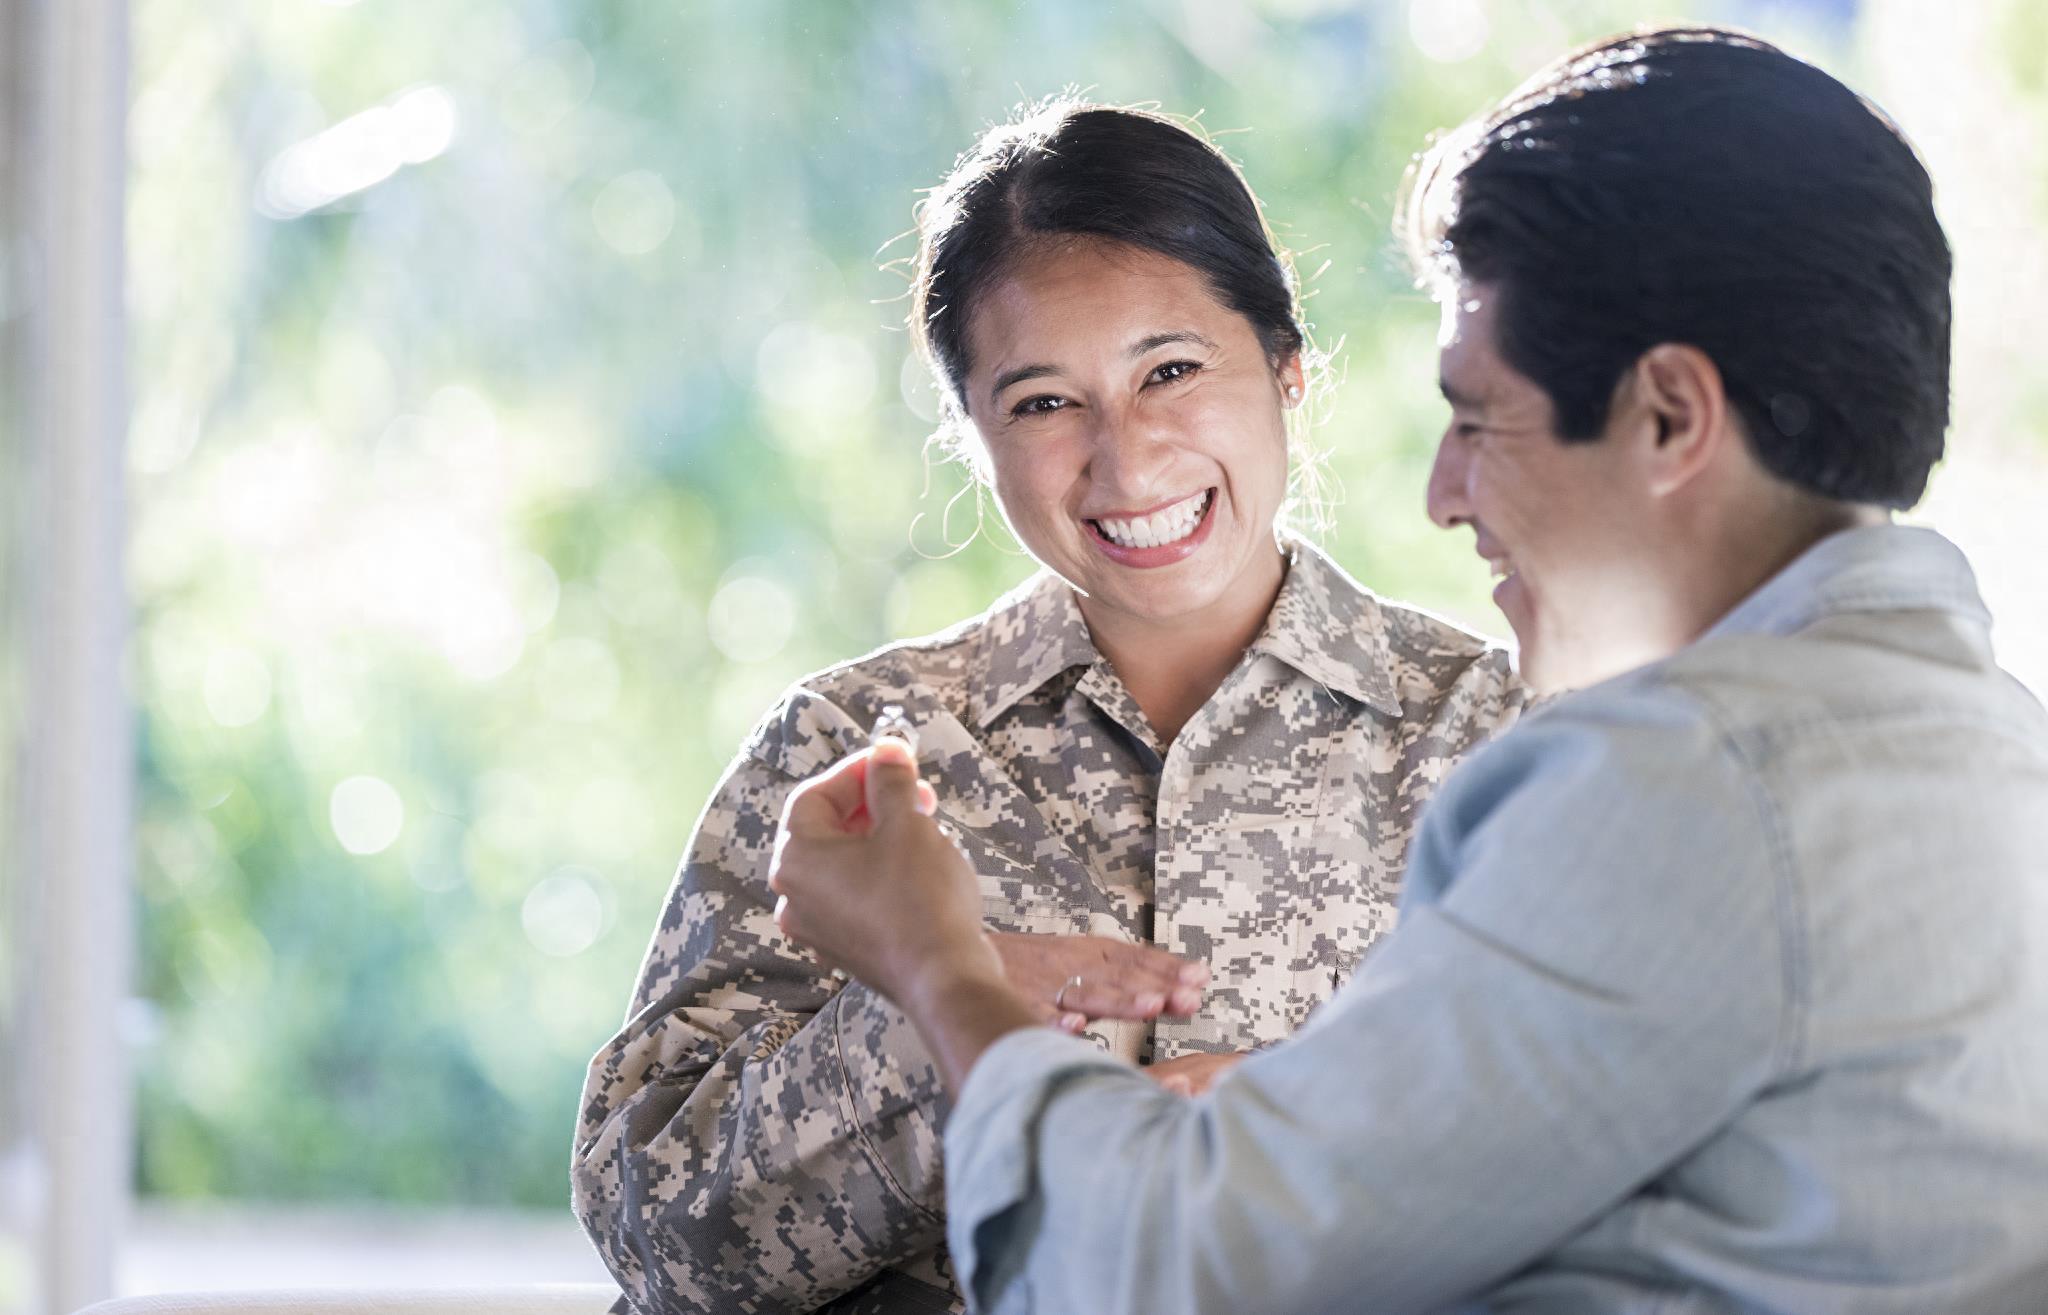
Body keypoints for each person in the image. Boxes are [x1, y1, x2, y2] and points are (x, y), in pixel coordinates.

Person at [768, 27, 2048, 1314]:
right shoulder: (1992, 747)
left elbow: (1156, 1265)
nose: (1443, 493)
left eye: (1478, 417)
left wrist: (935, 964)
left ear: (1666, 415)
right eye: (1043, 401)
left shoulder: (1670, 780)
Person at [572, 103, 1527, 1313]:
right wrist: (939, 1016)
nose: (1126, 463)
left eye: (1170, 371)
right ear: (972, 436)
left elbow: (1632, 1159)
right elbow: (657, 1242)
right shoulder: (851, 756)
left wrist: (1317, 1137)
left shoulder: (1499, 736)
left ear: (1287, 366)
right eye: (1040, 403)